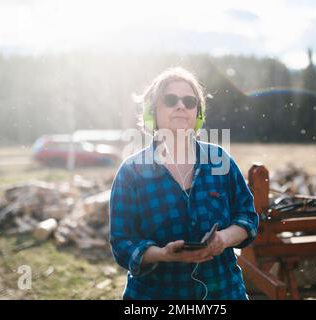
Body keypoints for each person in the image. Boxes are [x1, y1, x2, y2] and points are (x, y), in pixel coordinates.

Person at [109, 67, 259, 300]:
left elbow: (248, 216)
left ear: (197, 114)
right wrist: (162, 254)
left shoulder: (220, 160)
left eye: (189, 101)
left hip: (224, 294)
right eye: (170, 100)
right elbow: (122, 241)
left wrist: (223, 239)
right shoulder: (131, 172)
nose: (181, 106)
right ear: (152, 111)